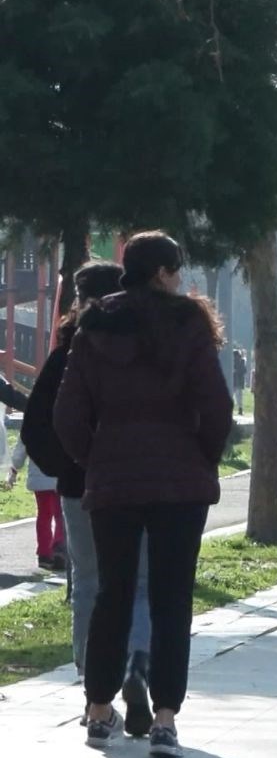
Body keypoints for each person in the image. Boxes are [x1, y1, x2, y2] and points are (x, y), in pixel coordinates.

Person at [55, 231, 233, 758]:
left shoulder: (96, 324)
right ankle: (165, 717)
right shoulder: (189, 322)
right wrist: (201, 456)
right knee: (172, 597)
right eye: (176, 268)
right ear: (161, 272)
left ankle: (97, 709)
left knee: (112, 591)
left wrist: (96, 457)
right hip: (180, 478)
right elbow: (216, 405)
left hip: (114, 477)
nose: (180, 277)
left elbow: (68, 413)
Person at [22, 261, 153, 719]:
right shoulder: (148, 348)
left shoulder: (67, 355)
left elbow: (36, 427)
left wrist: (70, 465)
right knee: (138, 583)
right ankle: (138, 661)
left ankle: (92, 686)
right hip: (140, 483)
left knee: (91, 584)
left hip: (82, 486)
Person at [10, 431, 65, 570]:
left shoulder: (32, 419)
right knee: (60, 515)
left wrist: (15, 468)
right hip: (61, 474)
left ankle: (44, 553)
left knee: (44, 515)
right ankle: (59, 548)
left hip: (39, 474)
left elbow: (21, 449)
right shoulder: (62, 413)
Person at [232, 348, 249, 415]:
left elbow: (244, 370)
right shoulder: (234, 361)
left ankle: (240, 409)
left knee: (239, 396)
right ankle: (239, 409)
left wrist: (236, 371)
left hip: (238, 381)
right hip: (234, 381)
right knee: (235, 395)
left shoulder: (242, 361)